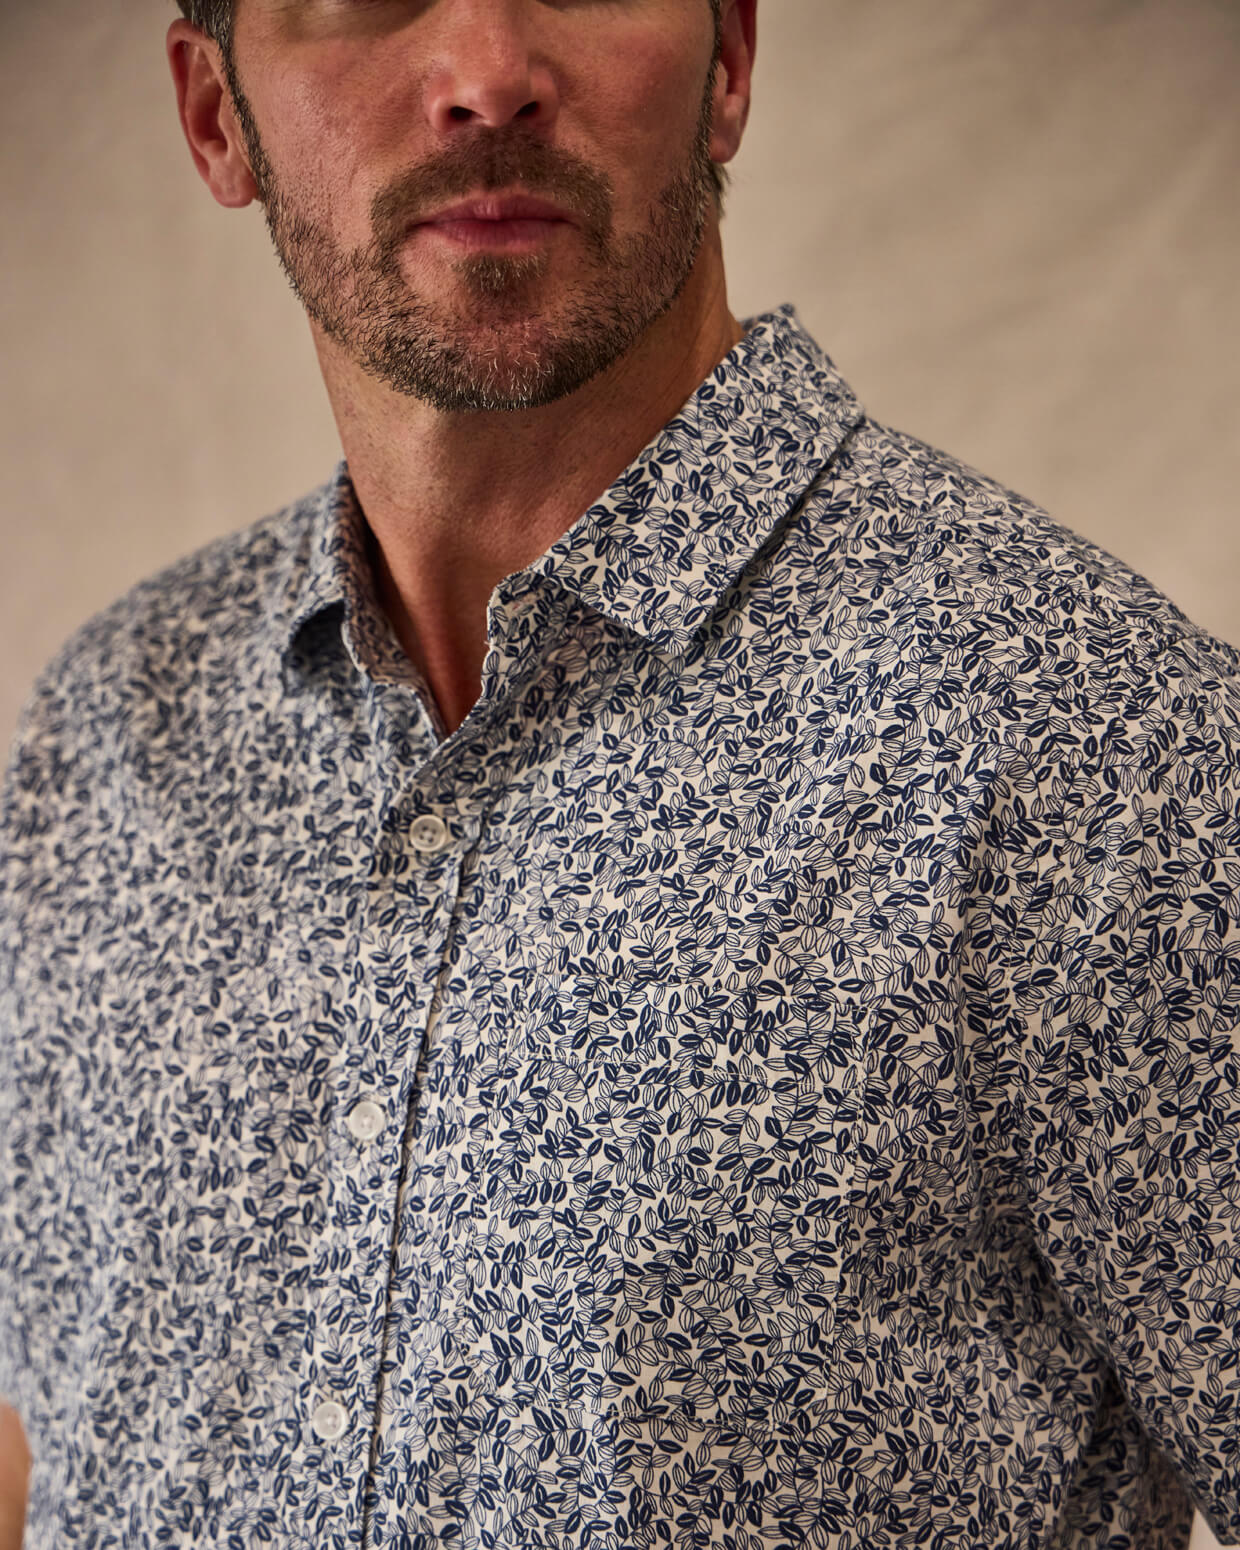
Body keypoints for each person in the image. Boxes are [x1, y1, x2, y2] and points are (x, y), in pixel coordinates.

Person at [1, 0, 1238, 1544]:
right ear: (214, 116)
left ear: (728, 59)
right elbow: (38, 1440)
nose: (484, 77)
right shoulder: (104, 743)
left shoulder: (1096, 744)